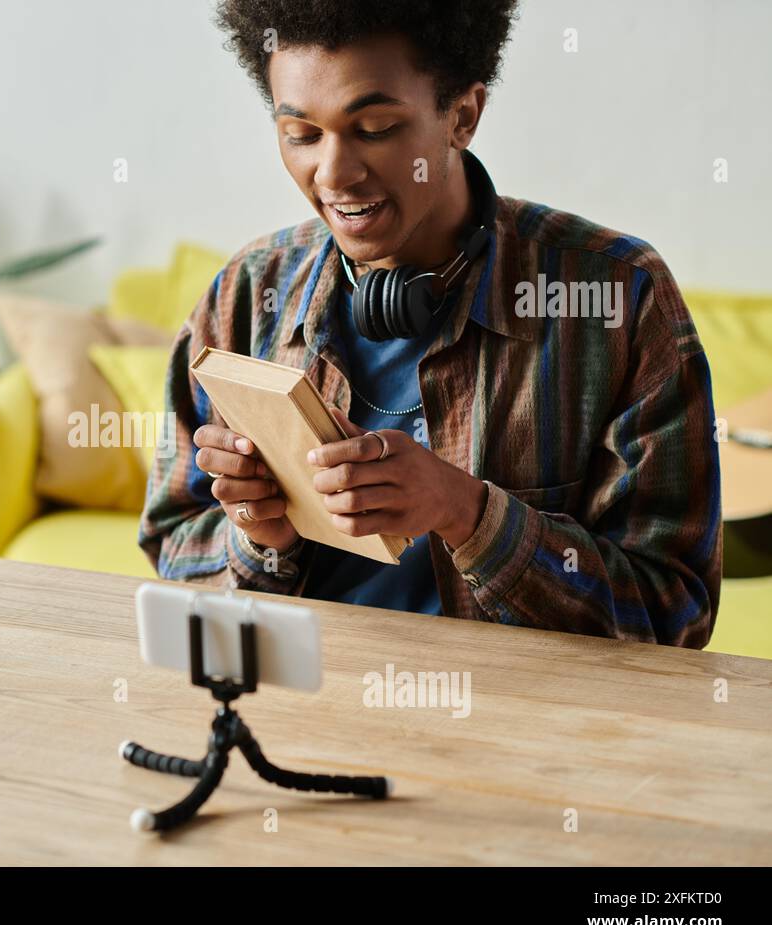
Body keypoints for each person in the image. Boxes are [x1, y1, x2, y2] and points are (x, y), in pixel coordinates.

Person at [138, 0, 721, 647]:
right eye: (301, 134)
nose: (333, 174)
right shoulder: (249, 292)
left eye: (377, 127)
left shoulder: (617, 296)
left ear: (462, 116)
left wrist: (466, 513)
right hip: (297, 711)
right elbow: (172, 547)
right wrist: (259, 539)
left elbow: (675, 616)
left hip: (521, 729)